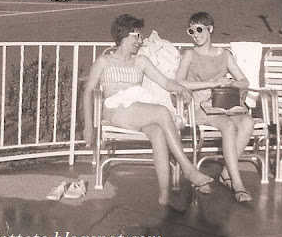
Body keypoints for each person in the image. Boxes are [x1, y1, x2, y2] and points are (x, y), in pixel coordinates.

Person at [83, 14, 214, 208]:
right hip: (114, 109)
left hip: (138, 108)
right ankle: (187, 168)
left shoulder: (141, 61)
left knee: (159, 132)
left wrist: (180, 88)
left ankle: (165, 195)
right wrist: (88, 126)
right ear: (125, 36)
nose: (141, 40)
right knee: (161, 112)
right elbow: (87, 93)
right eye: (138, 36)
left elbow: (165, 82)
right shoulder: (104, 62)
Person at [175, 12, 254, 203]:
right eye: (191, 30)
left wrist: (230, 83)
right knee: (228, 126)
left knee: (248, 123)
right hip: (200, 106)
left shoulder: (224, 55)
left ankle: (227, 172)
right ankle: (238, 184)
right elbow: (179, 82)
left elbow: (244, 81)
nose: (195, 34)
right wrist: (212, 83)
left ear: (210, 30)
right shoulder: (190, 54)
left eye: (199, 29)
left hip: (224, 104)